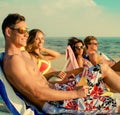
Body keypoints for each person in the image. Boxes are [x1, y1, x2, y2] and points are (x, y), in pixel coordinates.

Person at [2, 13, 120, 114]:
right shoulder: (13, 61)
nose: (27, 34)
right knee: (114, 104)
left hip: (60, 89)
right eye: (22, 31)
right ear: (8, 31)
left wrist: (59, 82)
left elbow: (38, 81)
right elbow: (37, 93)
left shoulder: (23, 55)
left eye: (27, 30)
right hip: (56, 103)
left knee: (102, 68)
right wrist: (76, 93)